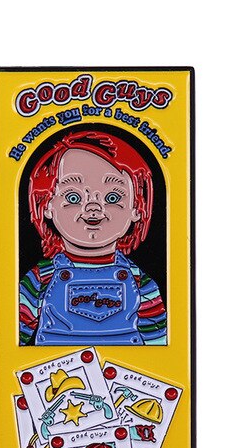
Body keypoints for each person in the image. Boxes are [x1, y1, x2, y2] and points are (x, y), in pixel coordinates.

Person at [19, 130, 167, 346]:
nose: (93, 207)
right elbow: (12, 339)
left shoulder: (140, 281)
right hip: (57, 367)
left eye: (112, 197)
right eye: (73, 197)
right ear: (47, 205)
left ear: (136, 208)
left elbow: (158, 343)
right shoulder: (40, 278)